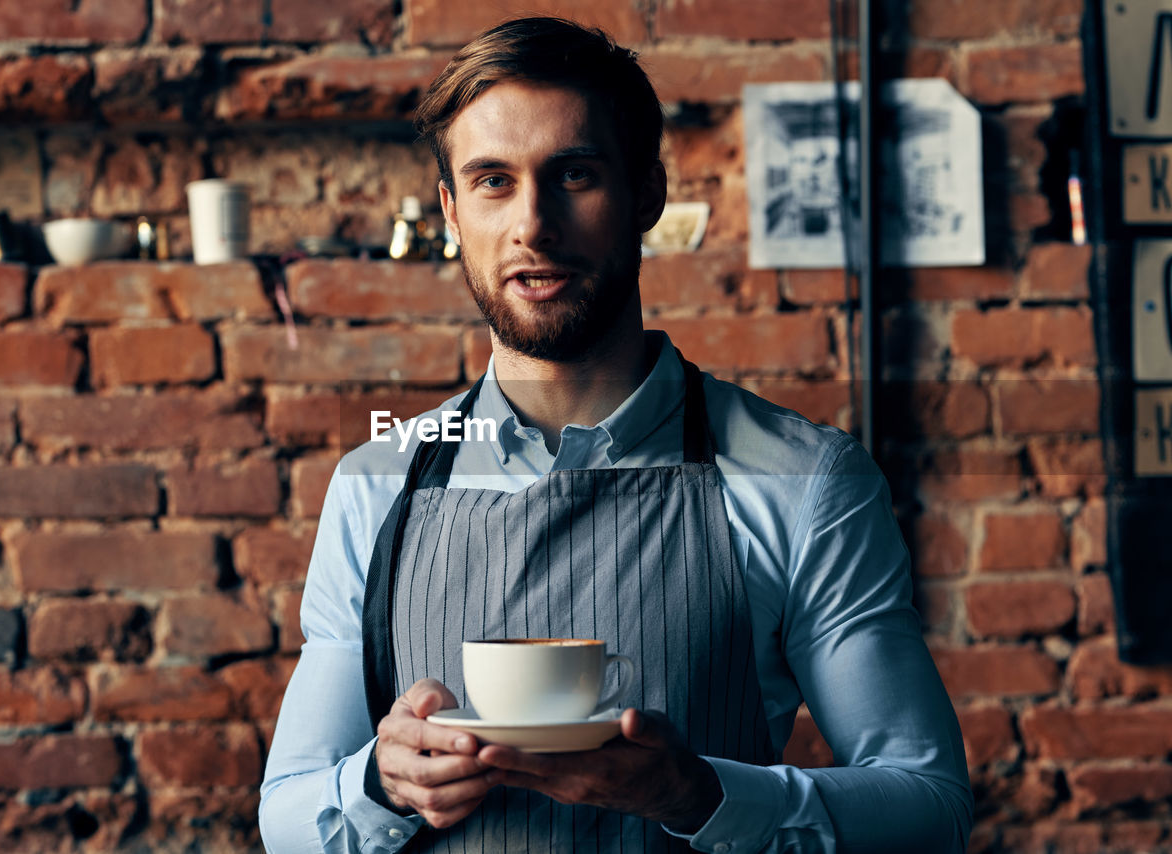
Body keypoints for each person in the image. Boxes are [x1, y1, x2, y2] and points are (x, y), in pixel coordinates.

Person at [260, 16, 973, 854]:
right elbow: (287, 818)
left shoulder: (807, 481)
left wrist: (699, 793)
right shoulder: (376, 484)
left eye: (574, 174)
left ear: (646, 194)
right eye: (493, 181)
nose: (534, 224)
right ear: (452, 212)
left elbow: (929, 808)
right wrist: (379, 785)